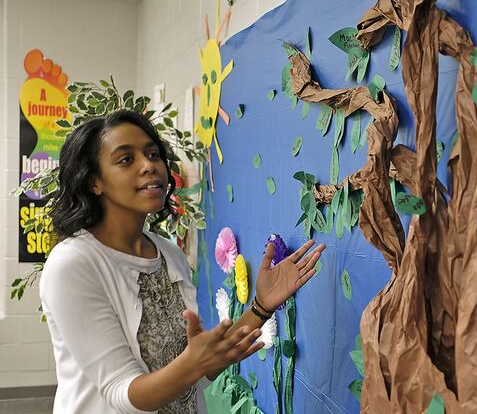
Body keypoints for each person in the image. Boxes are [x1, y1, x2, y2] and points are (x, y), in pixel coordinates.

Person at [39, 109, 325, 413]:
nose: (149, 165)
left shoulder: (168, 253)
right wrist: (193, 363)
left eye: (153, 154)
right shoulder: (74, 263)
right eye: (126, 159)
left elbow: (198, 370)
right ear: (95, 181)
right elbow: (122, 394)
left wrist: (261, 306)